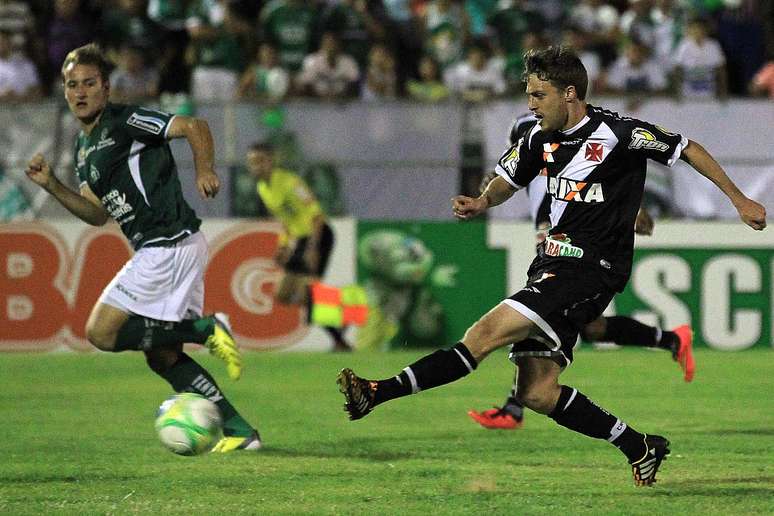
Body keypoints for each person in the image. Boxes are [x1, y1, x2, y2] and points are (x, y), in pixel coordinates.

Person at [337, 46, 766, 486]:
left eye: (539, 95)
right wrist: (483, 200)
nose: (531, 104)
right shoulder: (539, 139)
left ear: (570, 93)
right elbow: (508, 178)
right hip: (552, 264)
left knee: (482, 336)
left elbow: (687, 148)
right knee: (537, 393)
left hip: (590, 268)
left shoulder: (621, 132)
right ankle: (640, 446)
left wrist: (738, 198)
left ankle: (377, 392)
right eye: (529, 94)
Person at [25, 43, 260, 453]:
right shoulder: (84, 151)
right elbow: (97, 215)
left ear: (106, 87)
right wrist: (52, 186)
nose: (80, 92)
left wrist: (204, 168)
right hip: (165, 247)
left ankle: (205, 328)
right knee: (162, 355)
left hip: (166, 242)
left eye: (89, 83)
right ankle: (241, 431)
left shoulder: (124, 120)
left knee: (101, 331)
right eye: (71, 85)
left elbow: (194, 126)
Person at [467, 115, 694, 431]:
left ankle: (513, 408)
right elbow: (507, 171)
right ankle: (671, 340)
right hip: (550, 241)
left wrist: (634, 208)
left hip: (575, 244)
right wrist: (487, 189)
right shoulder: (527, 140)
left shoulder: (581, 141)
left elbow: (609, 174)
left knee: (537, 318)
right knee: (587, 327)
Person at [246, 141, 352, 352]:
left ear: (271, 161)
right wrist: (283, 246)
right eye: (252, 163)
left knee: (308, 294)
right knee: (283, 294)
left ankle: (340, 341)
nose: (256, 167)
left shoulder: (290, 182)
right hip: (301, 240)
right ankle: (342, 312)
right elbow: (286, 220)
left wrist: (313, 248)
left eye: (260, 161)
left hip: (318, 236)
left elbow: (317, 216)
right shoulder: (262, 188)